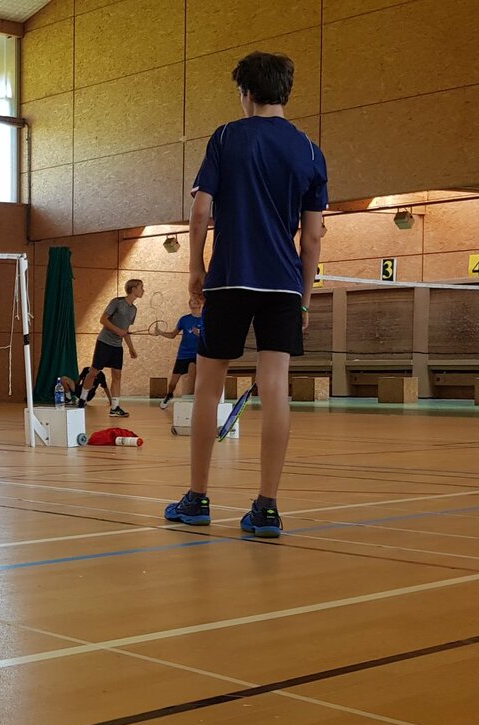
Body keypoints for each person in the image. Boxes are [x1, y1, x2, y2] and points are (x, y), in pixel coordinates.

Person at [165, 51, 326, 539]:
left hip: (230, 278)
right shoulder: (310, 151)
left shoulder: (227, 137)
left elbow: (200, 213)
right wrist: (303, 297)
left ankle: (197, 498)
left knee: (208, 386)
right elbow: (312, 238)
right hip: (283, 285)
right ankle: (267, 507)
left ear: (247, 92)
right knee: (275, 387)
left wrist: (196, 268)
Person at [78, 279, 141, 417]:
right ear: (133, 289)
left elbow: (125, 331)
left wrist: (131, 348)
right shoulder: (117, 302)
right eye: (141, 287)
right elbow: (103, 320)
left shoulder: (133, 310)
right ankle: (82, 400)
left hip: (117, 346)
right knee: (93, 372)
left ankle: (115, 407)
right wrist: (118, 331)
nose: (143, 290)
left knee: (117, 375)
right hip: (104, 342)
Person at [158, 295, 205, 408]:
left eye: (195, 300)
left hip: (200, 353)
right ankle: (169, 395)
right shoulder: (184, 319)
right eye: (191, 300)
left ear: (200, 303)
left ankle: (202, 399)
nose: (193, 302)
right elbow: (172, 335)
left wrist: (199, 333)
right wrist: (160, 332)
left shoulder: (205, 319)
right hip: (184, 353)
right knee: (173, 382)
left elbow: (210, 337)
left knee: (201, 378)